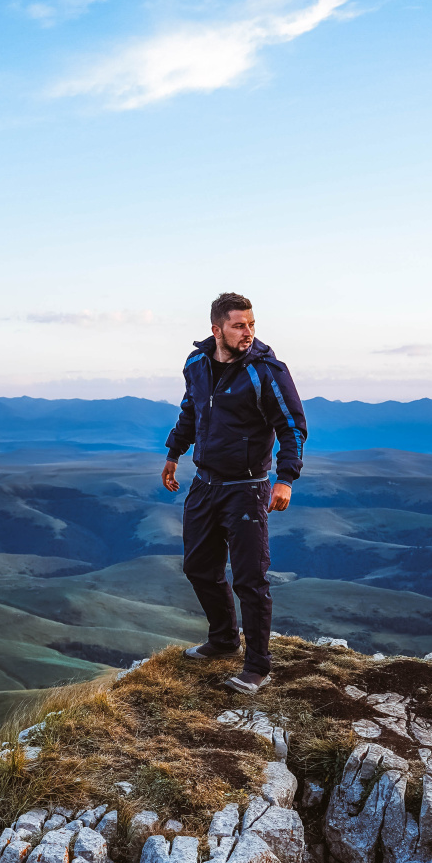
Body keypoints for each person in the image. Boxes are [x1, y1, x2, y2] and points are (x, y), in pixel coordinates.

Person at [162, 292, 308, 694]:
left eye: (252, 324)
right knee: (198, 568)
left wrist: (286, 478)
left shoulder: (266, 371)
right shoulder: (196, 363)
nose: (248, 332)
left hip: (247, 488)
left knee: (250, 579)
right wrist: (174, 452)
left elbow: (292, 426)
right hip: (204, 483)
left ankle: (257, 666)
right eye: (239, 325)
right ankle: (224, 639)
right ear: (217, 329)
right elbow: (191, 410)